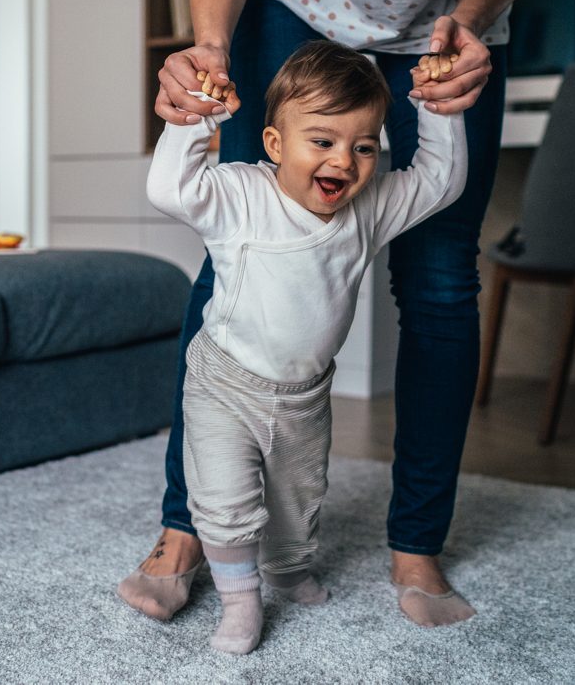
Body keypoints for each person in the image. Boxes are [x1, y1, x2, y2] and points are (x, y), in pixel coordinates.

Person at [119, 0, 575, 629]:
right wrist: (206, 48)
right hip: (290, 10)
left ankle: (417, 545)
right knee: (237, 259)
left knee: (442, 283)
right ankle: (185, 528)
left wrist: (468, 24)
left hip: (448, 32)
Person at [146, 40, 466, 653]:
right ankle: (241, 602)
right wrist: (196, 121)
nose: (344, 161)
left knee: (298, 502)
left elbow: (440, 182)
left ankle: (287, 569)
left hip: (303, 395)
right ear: (274, 145)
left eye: (363, 146)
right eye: (322, 141)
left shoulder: (369, 207)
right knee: (224, 500)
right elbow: (169, 189)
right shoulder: (239, 195)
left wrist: (438, 111)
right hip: (223, 383)